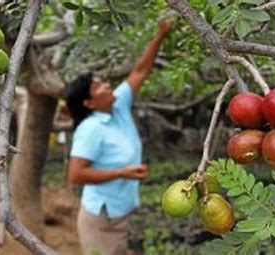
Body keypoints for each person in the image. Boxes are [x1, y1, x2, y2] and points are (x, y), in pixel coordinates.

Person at [65, 20, 173, 255]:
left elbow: (140, 71)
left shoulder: (118, 105)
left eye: (103, 82)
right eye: (99, 87)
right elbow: (75, 175)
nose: (107, 86)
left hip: (118, 215)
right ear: (89, 103)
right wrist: (121, 173)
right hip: (102, 220)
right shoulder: (91, 128)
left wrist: (161, 34)